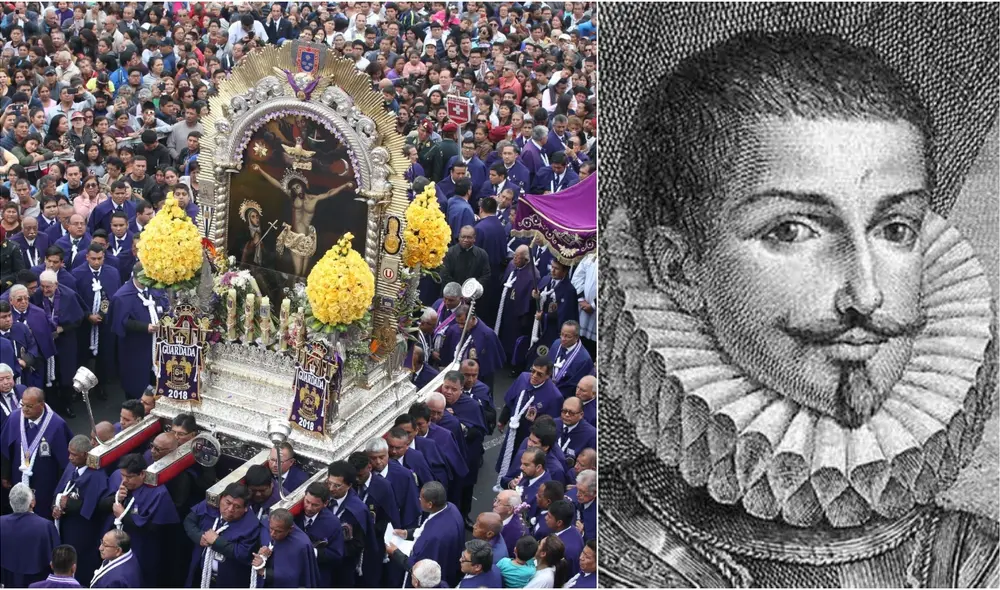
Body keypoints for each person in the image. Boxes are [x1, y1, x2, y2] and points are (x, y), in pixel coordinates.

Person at [98, 453, 180, 584]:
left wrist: (124, 515)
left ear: (142, 474)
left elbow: (155, 527)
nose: (124, 480)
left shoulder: (158, 492)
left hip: (142, 549)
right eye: (122, 475)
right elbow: (101, 505)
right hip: (116, 547)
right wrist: (116, 498)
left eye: (129, 477)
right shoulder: (121, 483)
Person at [0, 387, 73, 517]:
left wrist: (60, 492)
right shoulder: (15, 418)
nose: (25, 409)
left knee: (42, 514)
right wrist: (5, 475)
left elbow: (65, 462)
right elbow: (5, 448)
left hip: (45, 483)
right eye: (23, 404)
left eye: (30, 406)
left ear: (41, 405)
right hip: (18, 478)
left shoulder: (56, 425)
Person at [386, 481, 465, 588]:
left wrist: (395, 552)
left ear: (430, 504)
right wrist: (407, 533)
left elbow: (418, 567)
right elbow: (426, 527)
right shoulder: (451, 508)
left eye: (421, 498)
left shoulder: (433, 539)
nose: (419, 500)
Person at [51, 435, 107, 585]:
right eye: (69, 453)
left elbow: (92, 508)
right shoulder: (72, 466)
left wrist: (68, 503)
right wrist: (55, 507)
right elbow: (59, 491)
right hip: (65, 525)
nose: (69, 458)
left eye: (74, 454)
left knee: (80, 565)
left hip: (83, 531)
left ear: (86, 455)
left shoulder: (97, 475)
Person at [496, 358, 563, 480]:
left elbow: (550, 428)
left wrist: (536, 420)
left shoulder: (554, 396)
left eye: (539, 374)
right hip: (513, 430)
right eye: (533, 371)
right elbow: (511, 401)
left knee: (520, 467)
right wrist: (502, 420)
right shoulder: (523, 378)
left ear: (548, 376)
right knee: (506, 460)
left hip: (530, 439)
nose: (534, 376)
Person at [183, 482, 260, 588]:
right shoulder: (211, 503)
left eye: (237, 506)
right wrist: (199, 536)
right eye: (227, 502)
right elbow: (189, 521)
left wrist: (216, 541)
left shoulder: (251, 525)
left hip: (228, 580)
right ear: (221, 498)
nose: (230, 509)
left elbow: (243, 553)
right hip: (200, 572)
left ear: (245, 508)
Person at [108, 263, 166, 399]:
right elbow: (120, 322)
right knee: (135, 381)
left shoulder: (154, 289)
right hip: (134, 347)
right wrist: (145, 327)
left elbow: (164, 305)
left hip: (156, 344)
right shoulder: (122, 296)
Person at [32, 270, 86, 418]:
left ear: (56, 285)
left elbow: (79, 319)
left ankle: (67, 404)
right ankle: (50, 407)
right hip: (45, 342)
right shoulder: (36, 295)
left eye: (48, 287)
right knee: (49, 377)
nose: (45, 290)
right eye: (42, 286)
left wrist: (63, 328)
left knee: (66, 375)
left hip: (66, 340)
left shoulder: (68, 296)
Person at [71, 243, 120, 396]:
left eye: (99, 258)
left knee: (104, 356)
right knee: (82, 355)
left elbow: (111, 296)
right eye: (93, 259)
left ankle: (101, 385)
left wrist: (101, 314)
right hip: (84, 324)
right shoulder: (77, 274)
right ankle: (79, 387)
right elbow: (76, 299)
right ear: (87, 257)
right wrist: (87, 315)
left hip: (103, 323)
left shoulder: (112, 273)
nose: (97, 262)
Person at [325, 460, 381, 588]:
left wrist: (333, 552)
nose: (331, 489)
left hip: (343, 567)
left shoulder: (357, 510)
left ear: (349, 485)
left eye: (337, 486)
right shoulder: (322, 498)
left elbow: (358, 544)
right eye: (329, 483)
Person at [0, 483, 60, 587]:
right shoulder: (46, 526)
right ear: (32, 503)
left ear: (11, 503)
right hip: (39, 583)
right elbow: (58, 561)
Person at [438, 304, 506, 392]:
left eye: (463, 323)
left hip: (477, 379)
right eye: (458, 323)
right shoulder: (453, 330)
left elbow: (489, 365)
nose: (460, 326)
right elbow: (446, 354)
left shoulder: (487, 335)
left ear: (473, 318)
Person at [251, 508, 320, 587]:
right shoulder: (270, 527)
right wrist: (264, 555)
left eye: (278, 531)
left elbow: (292, 577)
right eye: (271, 529)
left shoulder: (301, 545)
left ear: (290, 529)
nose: (273, 534)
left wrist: (264, 572)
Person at [293, 482, 344, 588]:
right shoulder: (293, 514)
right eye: (307, 502)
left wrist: (313, 552)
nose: (309, 507)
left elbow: (336, 554)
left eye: (315, 505)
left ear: (325, 504)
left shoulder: (333, 524)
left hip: (317, 577)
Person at [547, 321, 594, 398]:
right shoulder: (556, 343)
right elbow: (547, 365)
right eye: (561, 334)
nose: (563, 339)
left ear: (576, 337)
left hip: (564, 397)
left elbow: (574, 387)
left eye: (567, 336)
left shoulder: (584, 360)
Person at [439, 226, 491, 293]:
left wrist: (471, 290)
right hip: (452, 295)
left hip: (474, 295)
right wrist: (457, 292)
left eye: (469, 237)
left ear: (474, 238)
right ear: (459, 237)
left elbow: (486, 275)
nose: (465, 240)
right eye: (463, 237)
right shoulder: (449, 253)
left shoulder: (482, 254)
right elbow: (444, 275)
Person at [569, 253, 597, 359]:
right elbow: (577, 278)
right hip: (583, 310)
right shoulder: (590, 258)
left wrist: (594, 305)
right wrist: (581, 300)